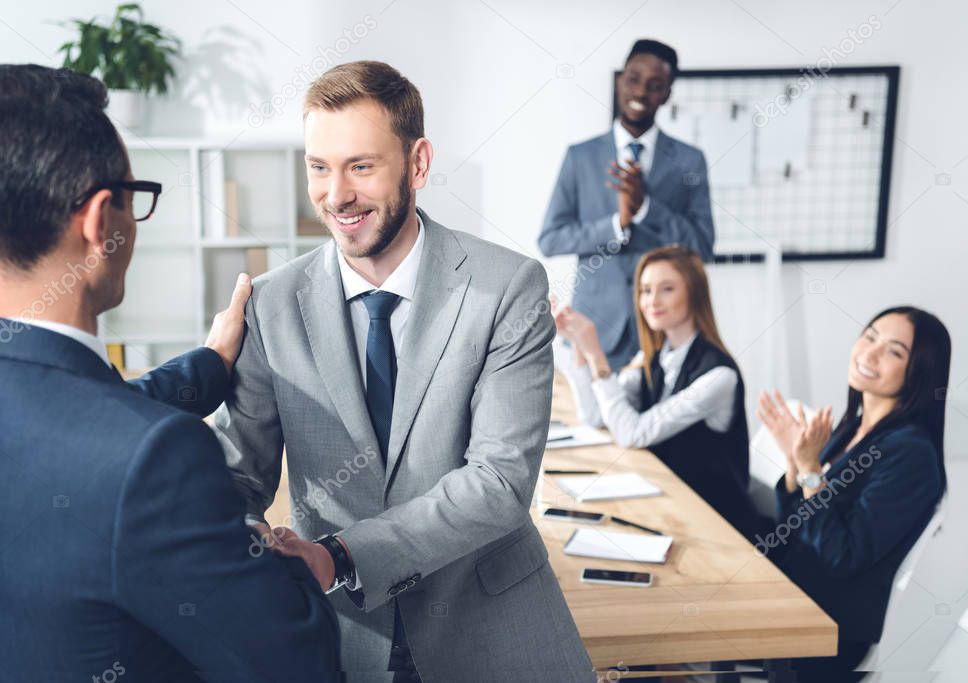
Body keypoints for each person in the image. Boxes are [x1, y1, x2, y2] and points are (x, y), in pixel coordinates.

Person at [212, 60, 594, 683]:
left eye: (361, 166)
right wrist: (261, 551)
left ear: (417, 163)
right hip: (337, 637)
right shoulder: (270, 305)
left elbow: (499, 480)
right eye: (318, 167)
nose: (335, 195)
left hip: (492, 630)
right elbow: (235, 482)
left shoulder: (506, 288)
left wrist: (337, 556)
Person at [0, 64, 341, 682]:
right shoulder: (159, 460)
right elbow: (296, 665)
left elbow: (60, 418)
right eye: (137, 197)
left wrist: (208, 365)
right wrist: (289, 561)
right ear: (101, 221)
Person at [756, 307, 951, 681]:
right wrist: (796, 464)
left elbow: (842, 555)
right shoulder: (851, 428)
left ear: (920, 372)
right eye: (870, 335)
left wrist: (812, 470)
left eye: (894, 351)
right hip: (789, 591)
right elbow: (795, 525)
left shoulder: (911, 454)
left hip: (825, 627)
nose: (870, 352)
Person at [555, 245, 762, 540]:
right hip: (669, 508)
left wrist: (598, 356)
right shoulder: (651, 358)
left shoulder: (718, 376)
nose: (652, 301)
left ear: (694, 294)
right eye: (645, 290)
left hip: (718, 526)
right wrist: (578, 344)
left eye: (667, 289)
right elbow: (596, 416)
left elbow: (633, 433)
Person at [538, 38, 714, 370]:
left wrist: (646, 208)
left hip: (666, 330)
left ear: (666, 94)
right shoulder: (581, 157)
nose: (640, 92)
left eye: (655, 85)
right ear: (620, 80)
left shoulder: (689, 161)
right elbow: (551, 238)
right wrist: (616, 224)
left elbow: (702, 247)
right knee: (595, 421)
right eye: (633, 78)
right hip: (596, 332)